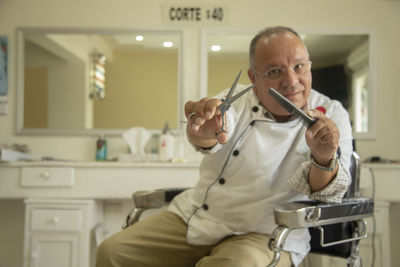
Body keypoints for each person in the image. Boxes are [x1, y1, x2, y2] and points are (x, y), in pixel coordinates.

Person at [96, 26, 353, 267]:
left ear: (309, 65)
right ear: (253, 77)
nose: (291, 80)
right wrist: (202, 130)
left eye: (299, 66)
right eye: (274, 71)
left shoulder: (332, 113)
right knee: (112, 252)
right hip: (198, 217)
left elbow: (328, 193)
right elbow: (211, 130)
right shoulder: (236, 102)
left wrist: (323, 157)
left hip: (266, 231)